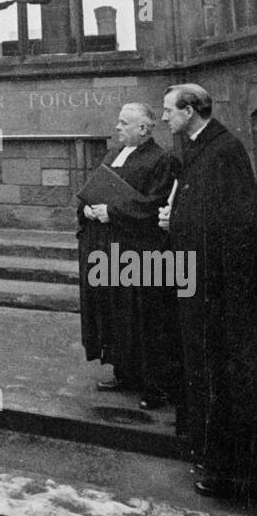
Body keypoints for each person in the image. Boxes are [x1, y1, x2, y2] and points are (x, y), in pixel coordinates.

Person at [159, 84, 257, 500]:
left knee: (219, 373)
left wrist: (176, 223)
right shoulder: (196, 149)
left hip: (216, 290)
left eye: (169, 111)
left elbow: (236, 224)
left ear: (190, 111)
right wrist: (174, 217)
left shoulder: (223, 151)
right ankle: (206, 452)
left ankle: (227, 471)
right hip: (196, 282)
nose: (165, 118)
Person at [77, 102, 180, 408]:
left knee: (145, 317)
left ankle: (154, 385)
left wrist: (112, 211)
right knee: (114, 312)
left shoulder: (162, 160)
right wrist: (85, 207)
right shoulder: (111, 154)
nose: (118, 128)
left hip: (139, 252)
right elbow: (93, 189)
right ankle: (124, 372)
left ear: (144, 129)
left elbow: (155, 203)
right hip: (106, 249)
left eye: (124, 123)